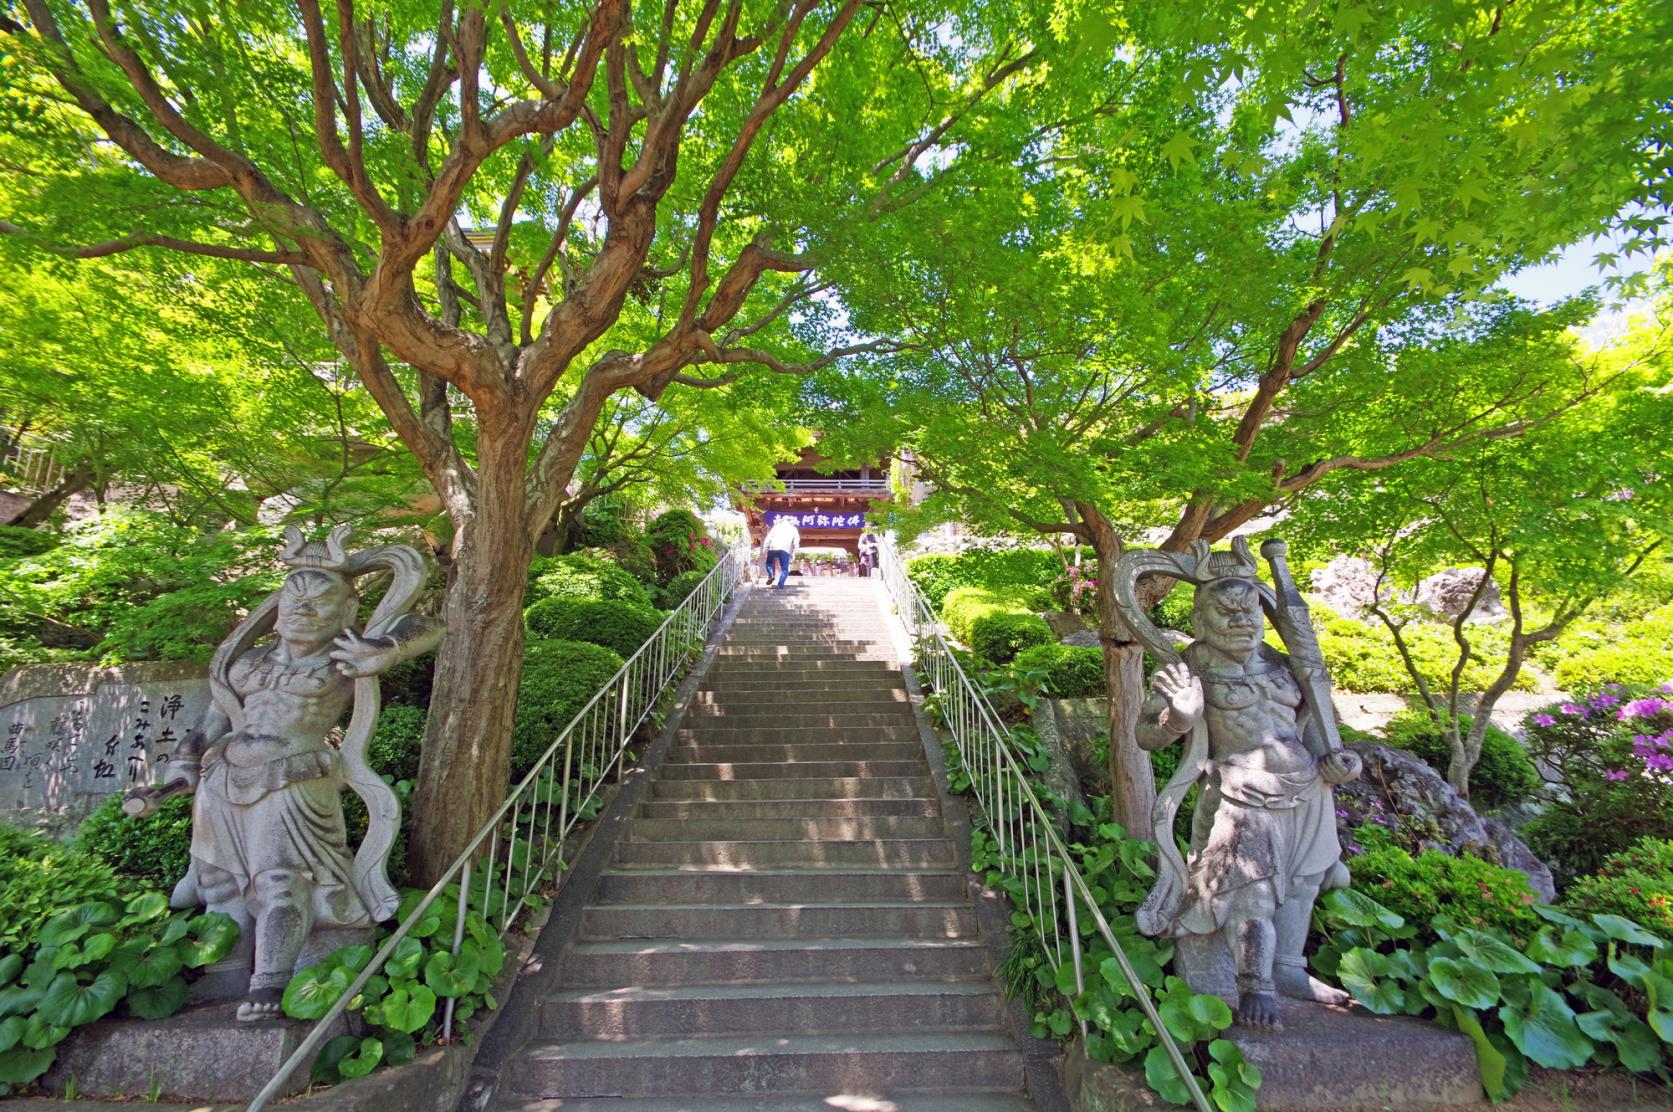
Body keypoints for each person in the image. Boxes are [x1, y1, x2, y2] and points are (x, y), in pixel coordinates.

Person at [125, 526, 442, 1021]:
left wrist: (385, 649)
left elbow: (429, 626)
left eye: (320, 601)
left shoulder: (341, 661)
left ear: (346, 614)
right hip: (222, 777)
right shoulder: (247, 663)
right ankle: (223, 974)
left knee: (283, 880)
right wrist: (184, 766)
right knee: (222, 884)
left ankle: (271, 982)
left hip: (296, 775)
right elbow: (213, 719)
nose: (302, 609)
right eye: (294, 598)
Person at [1134, 541, 1359, 1031]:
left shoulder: (1286, 663)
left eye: (1249, 609)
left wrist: (1340, 761)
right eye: (1225, 611)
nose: (1241, 621)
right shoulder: (1188, 668)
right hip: (1239, 790)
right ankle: (1253, 983)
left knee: (1303, 885)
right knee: (1248, 889)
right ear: (1199, 620)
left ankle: (1290, 971)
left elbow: (1317, 723)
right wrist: (1180, 716)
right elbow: (1145, 734)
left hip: (1306, 785)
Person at [762, 515, 800, 589]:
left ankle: (771, 575)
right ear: (790, 521)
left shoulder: (776, 527)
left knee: (769, 563)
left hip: (773, 547)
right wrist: (794, 552)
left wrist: (764, 548)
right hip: (785, 549)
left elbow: (768, 538)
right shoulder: (793, 528)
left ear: (782, 520)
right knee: (784, 569)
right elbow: (796, 541)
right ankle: (780, 585)